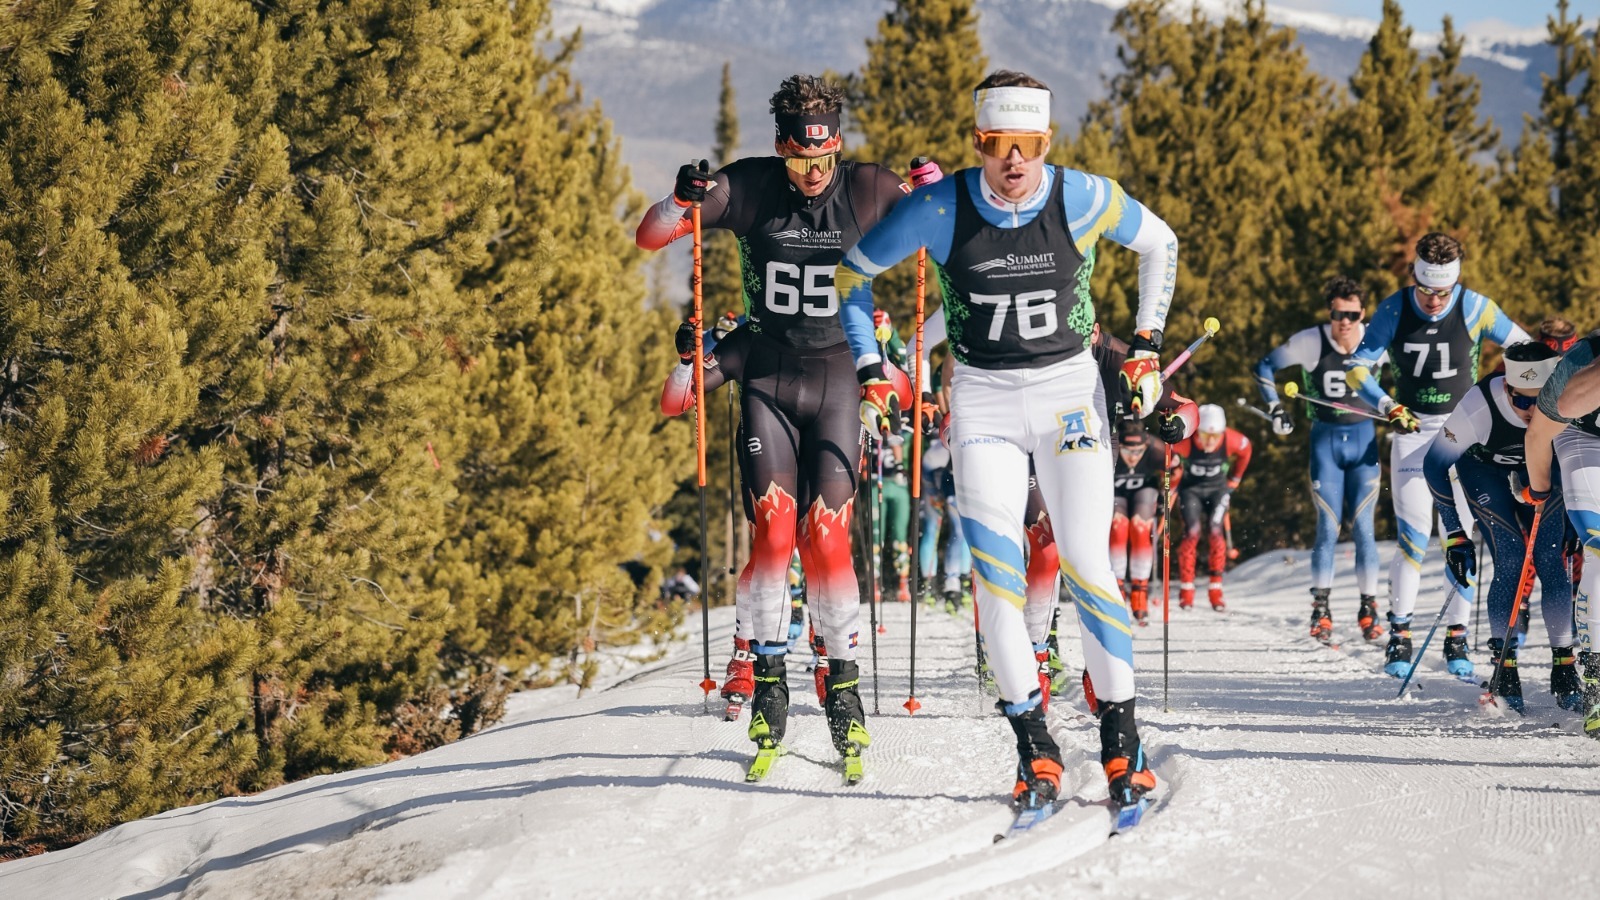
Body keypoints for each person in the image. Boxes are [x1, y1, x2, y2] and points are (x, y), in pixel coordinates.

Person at [837, 69, 1179, 813]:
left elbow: (1161, 242)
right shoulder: (937, 206)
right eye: (998, 145)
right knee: (997, 576)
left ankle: (1123, 741)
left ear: (1046, 143)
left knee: (1088, 563)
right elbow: (850, 279)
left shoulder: (1081, 195)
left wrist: (1148, 344)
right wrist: (872, 369)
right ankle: (1035, 748)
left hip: (1068, 396)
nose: (1013, 161)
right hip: (986, 401)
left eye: (1027, 145)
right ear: (978, 143)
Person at [640, 74, 916, 766]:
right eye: (799, 161)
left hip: (837, 382)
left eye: (824, 160)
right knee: (772, 534)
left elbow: (948, 236)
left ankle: (841, 683)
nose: (813, 175)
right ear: (779, 149)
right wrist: (681, 199)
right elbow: (652, 236)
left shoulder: (868, 189)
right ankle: (767, 678)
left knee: (826, 541)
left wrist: (933, 191)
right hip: (766, 373)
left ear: (839, 148)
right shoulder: (755, 186)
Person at [1345, 232, 1531, 677]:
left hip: (1463, 432)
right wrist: (1388, 406)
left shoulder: (1476, 307)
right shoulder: (1394, 308)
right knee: (1413, 537)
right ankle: (1400, 636)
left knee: (1461, 533)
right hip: (1412, 432)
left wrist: (1501, 395)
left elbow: (1525, 353)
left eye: (1442, 292)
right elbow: (1355, 369)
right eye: (1426, 290)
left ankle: (1457, 638)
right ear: (1415, 277)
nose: (1433, 301)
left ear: (1455, 283)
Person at [1422, 342, 1577, 708]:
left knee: (1551, 559)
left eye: (1541, 402)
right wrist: (1455, 535)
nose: (1531, 411)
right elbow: (1433, 465)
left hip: (1541, 470)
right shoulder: (1479, 406)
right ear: (1507, 389)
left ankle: (1564, 663)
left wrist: (1573, 516)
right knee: (1510, 559)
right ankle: (1503, 668)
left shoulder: (1570, 396)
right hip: (1485, 472)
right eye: (1522, 402)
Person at [1255, 277, 1385, 644]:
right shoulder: (1310, 341)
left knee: (1364, 529)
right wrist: (1275, 408)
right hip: (1325, 441)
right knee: (1327, 529)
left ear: (1363, 314)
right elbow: (1264, 366)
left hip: (1364, 442)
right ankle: (1321, 610)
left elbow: (1408, 372)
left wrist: (1398, 410)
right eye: (1337, 313)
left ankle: (1368, 608)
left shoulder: (1376, 339)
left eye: (1351, 314)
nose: (1344, 321)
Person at [1525, 332, 1600, 739]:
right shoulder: (1577, 369)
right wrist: (1538, 488)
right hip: (1582, 440)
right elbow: (1537, 436)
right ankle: (1597, 680)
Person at [1169, 404, 1252, 610]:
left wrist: (1235, 478)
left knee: (1216, 531)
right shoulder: (1187, 443)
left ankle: (1216, 590)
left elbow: (1246, 449)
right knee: (1192, 532)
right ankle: (1186, 590)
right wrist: (1173, 465)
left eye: (1215, 437)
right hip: (1192, 491)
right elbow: (1167, 449)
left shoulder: (1232, 440)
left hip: (1217, 490)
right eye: (1205, 435)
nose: (1210, 441)